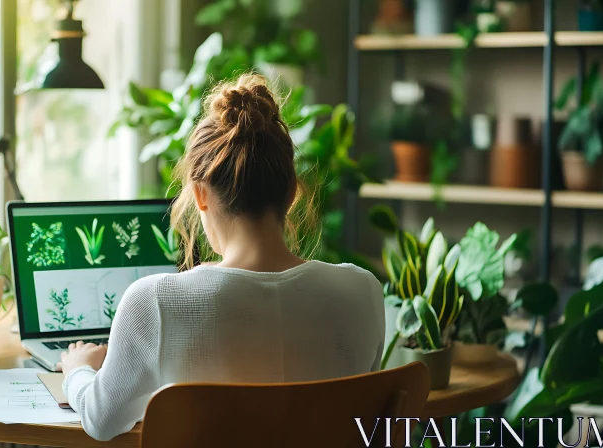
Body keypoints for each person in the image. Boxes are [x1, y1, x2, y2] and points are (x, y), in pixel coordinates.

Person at [59, 74, 385, 441]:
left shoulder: (155, 302)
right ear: (292, 191)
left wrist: (78, 371)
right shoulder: (363, 291)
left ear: (200, 195)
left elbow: (101, 422)